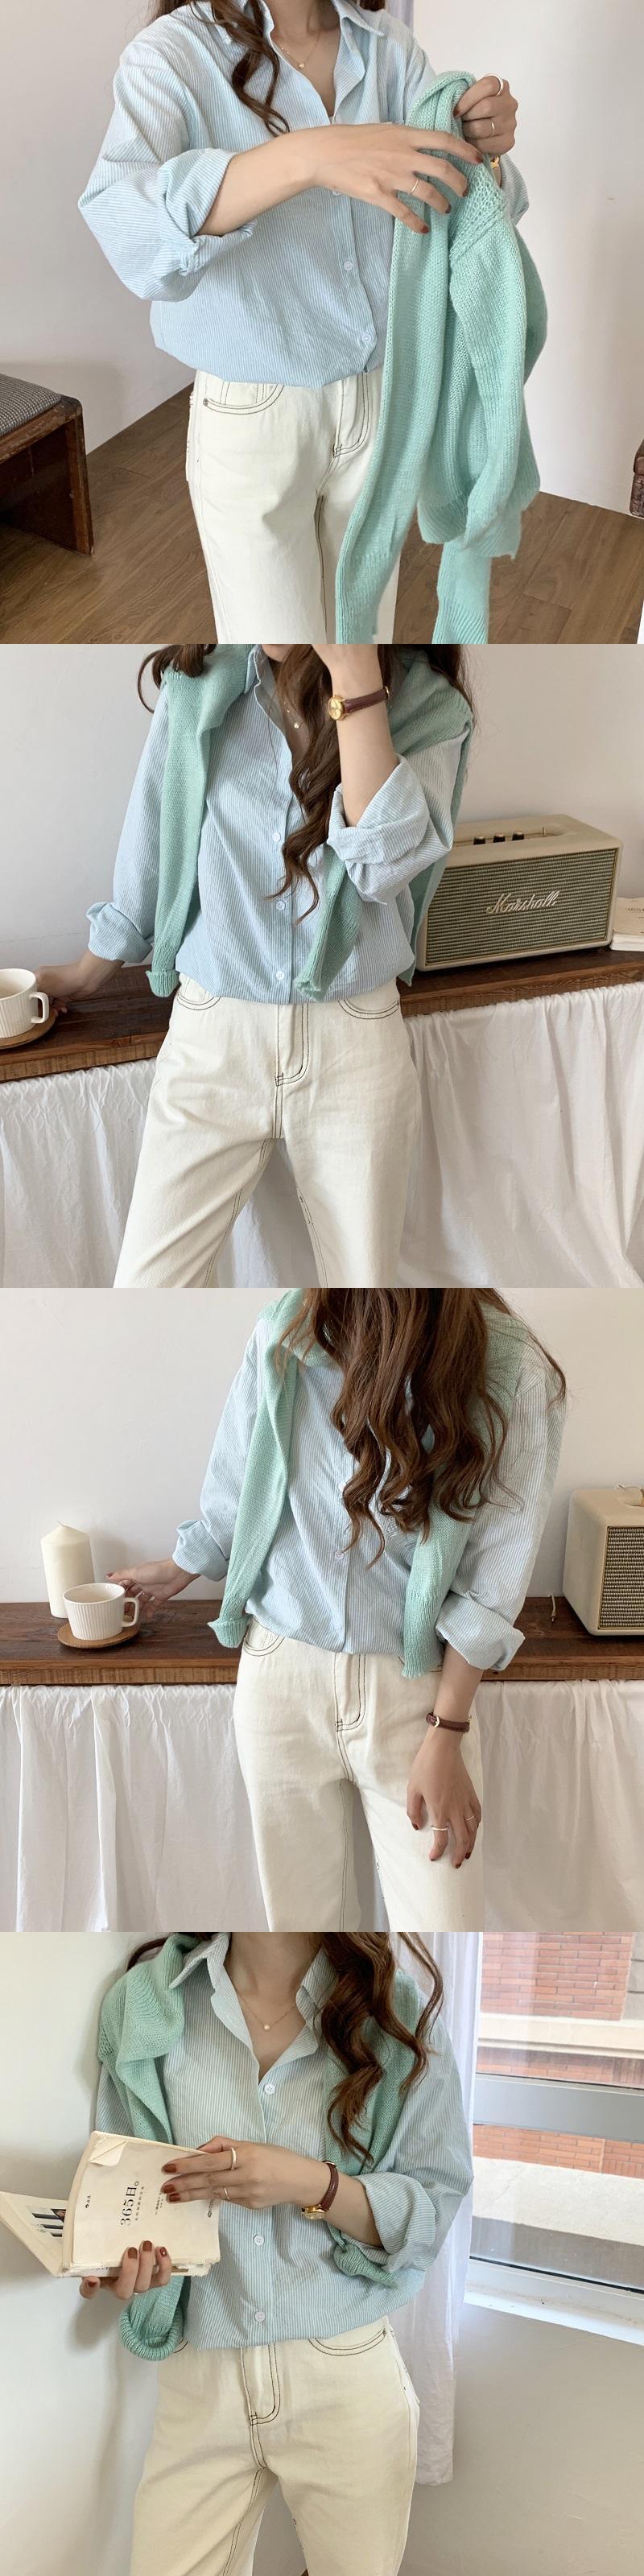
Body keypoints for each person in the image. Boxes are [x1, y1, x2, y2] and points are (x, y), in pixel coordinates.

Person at [109, 1286, 567, 1928]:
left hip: (420, 1697)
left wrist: (448, 1731)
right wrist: (182, 1564)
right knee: (301, 1932)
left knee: (441, 1930)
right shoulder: (290, 1329)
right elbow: (241, 1476)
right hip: (279, 1677)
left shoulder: (512, 1367)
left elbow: (494, 1579)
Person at [79, 3, 522, 640]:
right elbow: (129, 232)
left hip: (385, 397)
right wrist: (307, 157)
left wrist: (484, 148)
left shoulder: (387, 47)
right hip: (254, 410)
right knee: (278, 657)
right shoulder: (171, 55)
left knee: (362, 634)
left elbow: (471, 205)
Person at [39, 642, 473, 1288]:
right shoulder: (200, 689)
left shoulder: (428, 706)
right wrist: (84, 972)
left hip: (354, 1043)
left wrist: (355, 675)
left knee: (363, 1296)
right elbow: (153, 843)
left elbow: (383, 871)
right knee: (147, 1288)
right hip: (212, 1037)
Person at [80, 1928, 473, 2576]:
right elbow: (133, 2188)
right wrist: (121, 2261)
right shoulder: (148, 2001)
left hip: (344, 2374)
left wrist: (311, 2182)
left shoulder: (394, 2009)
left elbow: (431, 2212)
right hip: (201, 2377)